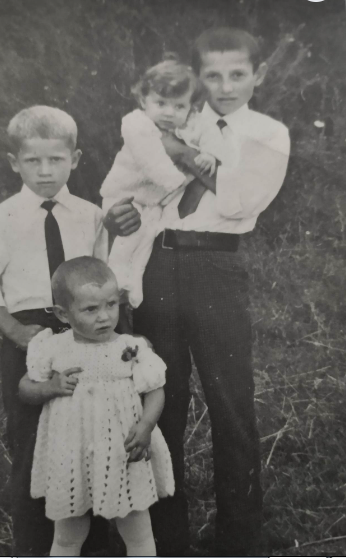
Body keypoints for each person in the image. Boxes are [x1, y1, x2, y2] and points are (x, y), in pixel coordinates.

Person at [104, 27, 291, 557]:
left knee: (230, 401)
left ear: (259, 75)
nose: (225, 86)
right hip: (157, 262)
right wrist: (118, 215)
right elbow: (134, 185)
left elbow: (238, 200)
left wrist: (177, 152)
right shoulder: (171, 114)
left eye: (237, 74)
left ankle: (240, 538)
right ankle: (166, 538)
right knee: (161, 395)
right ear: (197, 77)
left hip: (216, 266)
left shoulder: (268, 133)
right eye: (213, 75)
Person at [0, 106, 108, 556]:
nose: (45, 171)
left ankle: (95, 546)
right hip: (30, 336)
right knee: (32, 443)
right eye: (33, 161)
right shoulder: (1, 219)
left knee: (92, 439)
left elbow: (106, 278)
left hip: (85, 331)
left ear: (75, 159)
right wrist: (15, 332)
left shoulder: (91, 216)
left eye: (56, 160)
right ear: (14, 163)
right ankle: (35, 546)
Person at [19, 256, 174, 557]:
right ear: (63, 314)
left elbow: (156, 389)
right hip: (72, 452)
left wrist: (146, 425)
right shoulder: (54, 348)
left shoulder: (130, 347)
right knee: (68, 534)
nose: (104, 317)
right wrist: (50, 388)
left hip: (123, 449)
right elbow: (25, 388)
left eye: (111, 304)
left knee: (138, 530)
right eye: (91, 309)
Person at [101, 58, 236, 309]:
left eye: (179, 106)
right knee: (129, 238)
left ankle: (134, 285)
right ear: (144, 101)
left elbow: (211, 138)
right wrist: (174, 180)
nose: (169, 112)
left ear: (191, 108)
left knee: (147, 240)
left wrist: (209, 154)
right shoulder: (136, 123)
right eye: (160, 103)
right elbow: (152, 161)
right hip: (126, 194)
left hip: (154, 202)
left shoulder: (192, 122)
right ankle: (115, 280)